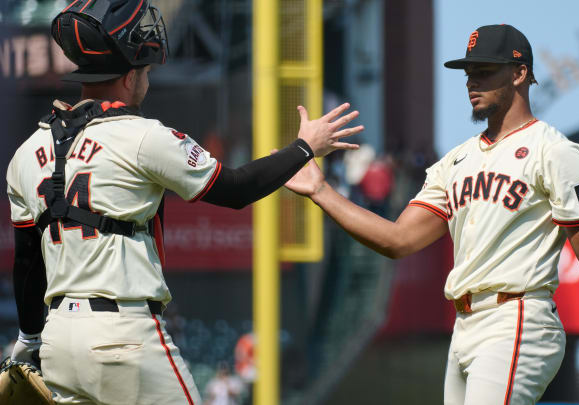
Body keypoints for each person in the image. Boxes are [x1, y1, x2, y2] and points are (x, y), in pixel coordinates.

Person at [6, 1, 362, 404]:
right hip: (124, 337)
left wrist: (28, 338)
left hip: (58, 342)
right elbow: (234, 189)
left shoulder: (27, 152)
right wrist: (304, 147)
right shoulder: (142, 136)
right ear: (130, 75)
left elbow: (27, 264)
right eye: (146, 72)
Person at [285, 24, 579, 404]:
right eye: (469, 73)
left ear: (520, 73)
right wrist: (321, 191)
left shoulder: (554, 151)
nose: (472, 81)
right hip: (464, 327)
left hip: (517, 318)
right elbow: (398, 240)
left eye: (485, 71)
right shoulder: (456, 161)